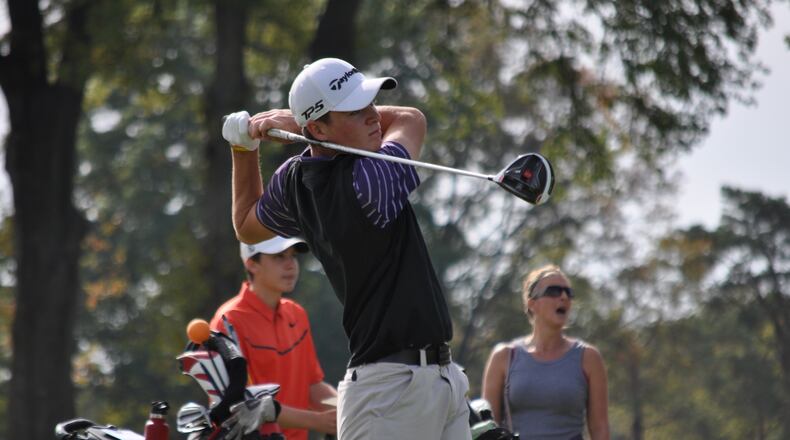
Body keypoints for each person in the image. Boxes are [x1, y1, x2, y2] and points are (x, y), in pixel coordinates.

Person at [220, 57, 471, 440]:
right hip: (391, 391)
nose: (373, 116)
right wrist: (293, 119)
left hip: (435, 382)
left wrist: (243, 149)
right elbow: (410, 118)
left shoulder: (295, 180)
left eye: (371, 103)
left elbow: (246, 225)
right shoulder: (371, 180)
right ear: (318, 129)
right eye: (356, 111)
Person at [210, 236, 337, 440]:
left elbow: (313, 386)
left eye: (293, 256)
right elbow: (242, 404)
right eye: (279, 257)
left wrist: (348, 407)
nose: (291, 265)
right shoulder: (228, 321)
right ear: (251, 263)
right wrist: (318, 421)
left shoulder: (297, 314)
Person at [481, 264, 610, 440]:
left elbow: (600, 429)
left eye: (568, 292)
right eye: (554, 291)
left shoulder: (588, 357)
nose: (564, 297)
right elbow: (488, 429)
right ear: (531, 303)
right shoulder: (504, 357)